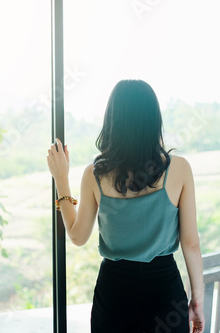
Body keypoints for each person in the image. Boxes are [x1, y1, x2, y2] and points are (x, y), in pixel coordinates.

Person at [46, 79, 205, 333]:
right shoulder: (180, 169)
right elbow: (191, 243)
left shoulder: (95, 175)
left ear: (112, 121)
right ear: (154, 121)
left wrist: (61, 180)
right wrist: (197, 299)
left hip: (114, 295)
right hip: (165, 293)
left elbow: (77, 236)